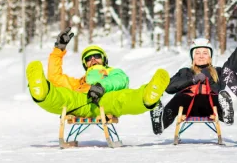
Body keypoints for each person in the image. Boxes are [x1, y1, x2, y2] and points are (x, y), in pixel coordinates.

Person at [26, 27, 170, 118]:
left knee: (122, 99)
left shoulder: (112, 72)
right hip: (80, 101)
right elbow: (55, 77)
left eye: (97, 56)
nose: (93, 59)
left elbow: (121, 80)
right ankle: (41, 91)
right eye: (88, 58)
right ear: (85, 64)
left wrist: (102, 86)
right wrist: (59, 50)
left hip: (104, 100)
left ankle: (148, 95)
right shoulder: (80, 81)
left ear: (104, 60)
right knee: (62, 97)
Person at [150, 31, 237, 135]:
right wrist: (192, 80)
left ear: (210, 56)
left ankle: (226, 114)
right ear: (192, 57)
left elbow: (235, 60)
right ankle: (160, 124)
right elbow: (169, 87)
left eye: (205, 53)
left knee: (217, 96)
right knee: (179, 97)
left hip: (210, 106)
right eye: (197, 53)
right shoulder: (185, 72)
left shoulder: (218, 72)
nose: (201, 56)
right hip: (187, 106)